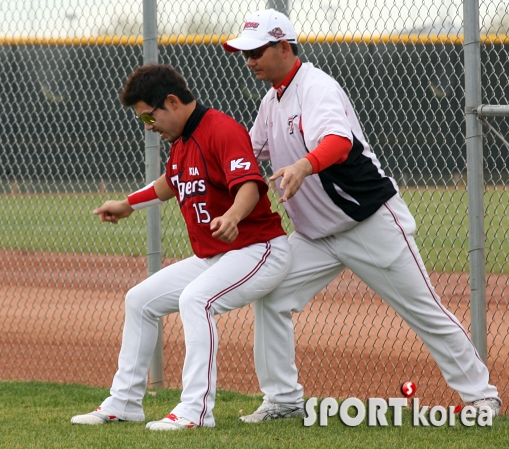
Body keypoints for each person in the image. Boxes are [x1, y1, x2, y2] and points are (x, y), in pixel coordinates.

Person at [223, 8, 502, 422]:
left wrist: (303, 165)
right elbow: (247, 153)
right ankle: (283, 401)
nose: (249, 61)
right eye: (245, 53)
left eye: (257, 51)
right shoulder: (271, 101)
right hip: (317, 236)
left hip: (369, 223)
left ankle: (482, 397)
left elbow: (338, 141)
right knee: (273, 296)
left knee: (423, 309)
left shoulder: (317, 88)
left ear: (284, 46)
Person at [70, 63, 291, 430]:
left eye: (147, 116)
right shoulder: (183, 142)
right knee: (139, 300)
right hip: (217, 256)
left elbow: (249, 185)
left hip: (259, 248)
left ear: (171, 102)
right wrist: (127, 204)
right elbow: (169, 183)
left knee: (195, 300)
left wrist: (234, 216)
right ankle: (124, 402)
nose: (147, 125)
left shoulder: (221, 129)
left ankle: (195, 411)